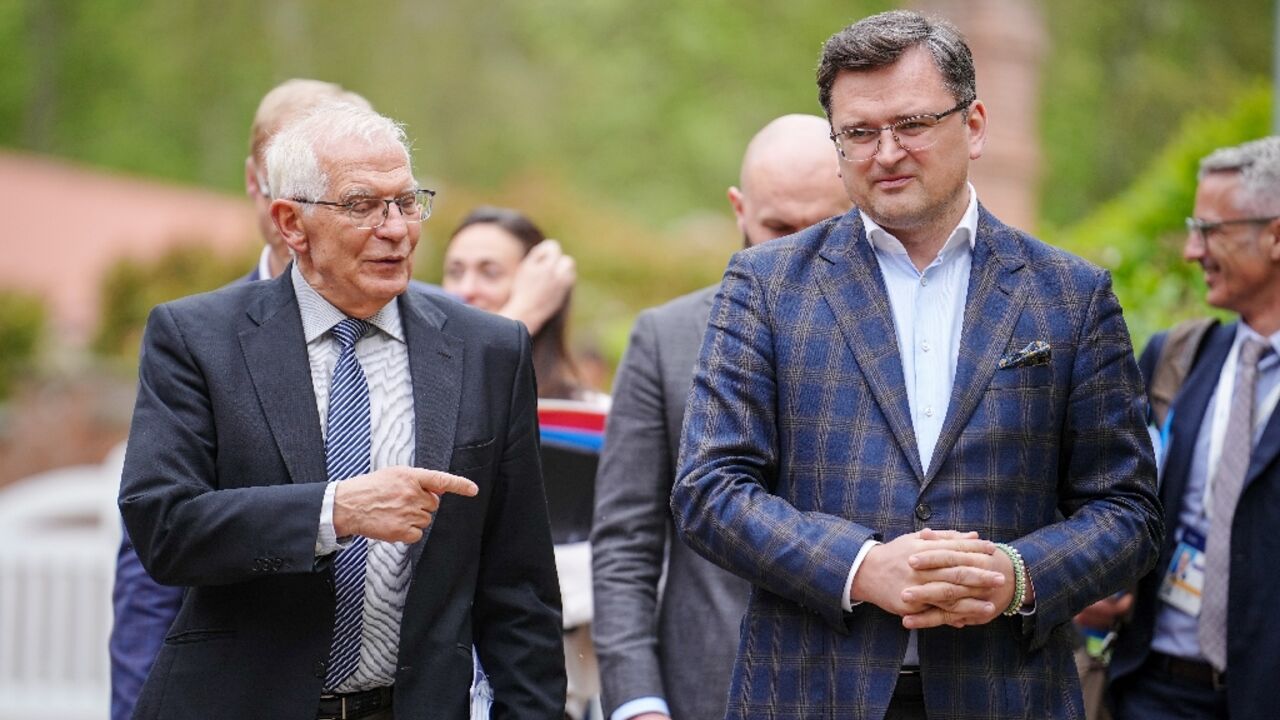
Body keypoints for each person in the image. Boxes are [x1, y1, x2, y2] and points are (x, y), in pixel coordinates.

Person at [670, 10, 1162, 719]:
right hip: (810, 693)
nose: (886, 152)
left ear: (975, 125)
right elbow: (709, 491)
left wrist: (1019, 576)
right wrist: (864, 568)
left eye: (913, 124)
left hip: (1006, 691)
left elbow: (1129, 511)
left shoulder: (1072, 296)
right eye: (860, 133)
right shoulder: (765, 285)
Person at [109, 79, 576, 720]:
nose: (395, 230)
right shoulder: (197, 338)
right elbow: (163, 527)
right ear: (291, 223)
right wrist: (334, 510)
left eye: (407, 203)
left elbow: (519, 585)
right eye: (362, 205)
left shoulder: (488, 349)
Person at [590, 113, 852, 720]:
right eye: (778, 227)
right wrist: (636, 701)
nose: (799, 250)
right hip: (708, 688)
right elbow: (626, 542)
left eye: (825, 226)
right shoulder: (667, 338)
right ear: (739, 208)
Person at [1106, 136, 1280, 720]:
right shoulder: (1177, 359)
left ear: (1276, 235)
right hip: (1158, 691)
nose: (1190, 250)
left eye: (1209, 230)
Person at [444, 206, 603, 719]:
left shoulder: (593, 418)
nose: (466, 288)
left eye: (490, 272)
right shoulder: (423, 396)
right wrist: (516, 317)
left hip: (561, 673)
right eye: (454, 270)